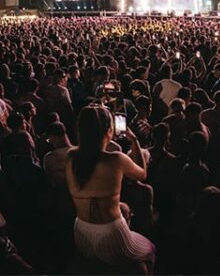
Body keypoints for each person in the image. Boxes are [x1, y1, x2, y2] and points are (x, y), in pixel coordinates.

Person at [65, 106, 155, 273]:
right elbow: (142, 175)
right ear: (108, 130)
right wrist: (134, 140)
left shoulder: (71, 157)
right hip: (112, 234)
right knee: (149, 250)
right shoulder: (116, 159)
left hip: (81, 232)